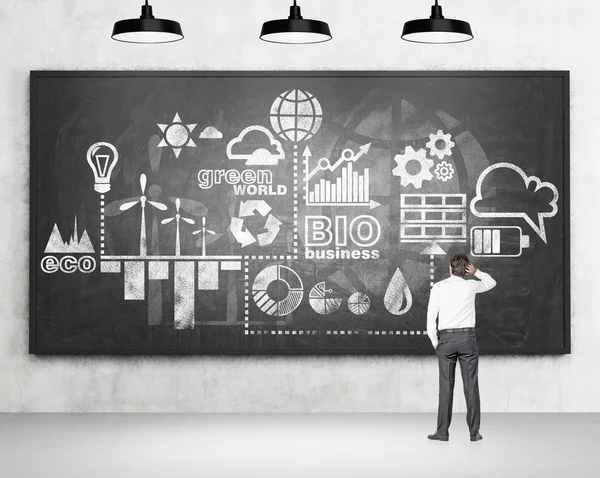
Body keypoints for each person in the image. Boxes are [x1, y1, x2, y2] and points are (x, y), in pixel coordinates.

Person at [426, 253, 496, 442]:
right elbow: (491, 282)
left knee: (445, 388)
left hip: (446, 340)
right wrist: (477, 272)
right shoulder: (471, 285)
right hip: (467, 338)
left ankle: (442, 432)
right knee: (471, 386)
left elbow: (431, 317)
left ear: (450, 268)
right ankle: (474, 433)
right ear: (466, 269)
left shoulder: (439, 287)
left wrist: (435, 342)